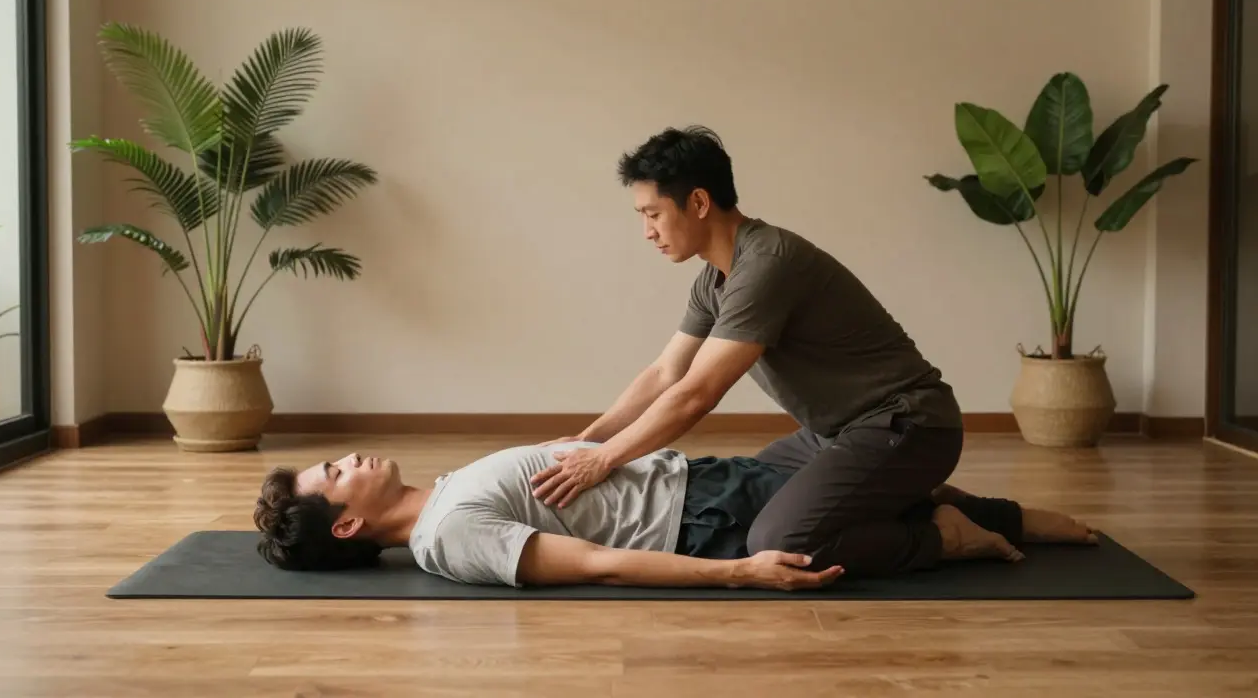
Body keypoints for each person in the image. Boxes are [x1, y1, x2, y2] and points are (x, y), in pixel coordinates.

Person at [528, 125, 982, 579]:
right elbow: (666, 373)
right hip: (833, 435)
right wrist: (591, 438)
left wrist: (604, 459)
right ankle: (922, 500)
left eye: (653, 214)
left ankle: (943, 536)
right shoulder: (714, 280)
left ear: (700, 203)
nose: (647, 231)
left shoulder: (768, 264)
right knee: (742, 499)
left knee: (779, 541)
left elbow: (695, 395)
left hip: (908, 424)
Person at [252, 442, 1098, 589]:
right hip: (704, 523)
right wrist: (741, 572)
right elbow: (590, 565)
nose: (350, 459)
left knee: (857, 456)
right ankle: (945, 540)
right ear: (348, 524)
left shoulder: (443, 491)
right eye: (336, 473)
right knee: (872, 488)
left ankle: (992, 516)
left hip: (701, 478)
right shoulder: (447, 536)